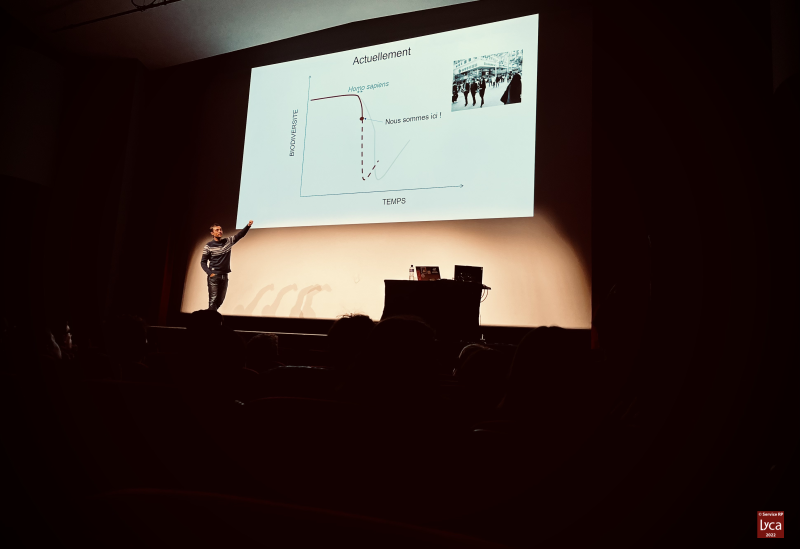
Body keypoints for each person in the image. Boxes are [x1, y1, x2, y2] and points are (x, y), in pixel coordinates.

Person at [201, 220, 253, 311]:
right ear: (212, 233)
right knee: (213, 302)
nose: (220, 231)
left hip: (224, 276)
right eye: (217, 230)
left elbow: (240, 235)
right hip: (214, 276)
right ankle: (209, 318)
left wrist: (248, 226)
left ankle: (208, 316)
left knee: (220, 300)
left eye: (220, 229)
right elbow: (203, 262)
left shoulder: (227, 242)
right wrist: (210, 273)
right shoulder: (208, 246)